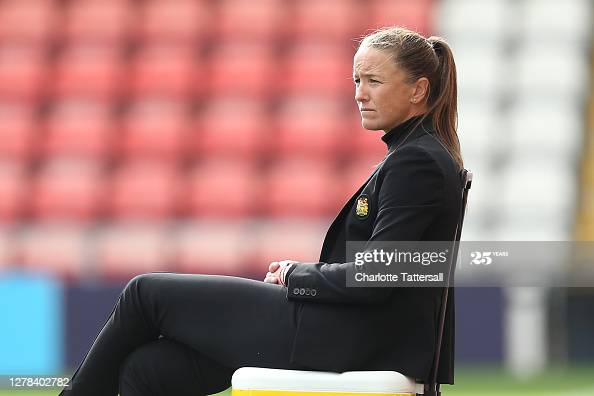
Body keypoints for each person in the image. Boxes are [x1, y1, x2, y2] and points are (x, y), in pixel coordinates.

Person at [59, 26, 463, 396]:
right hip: (351, 331)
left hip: (351, 336)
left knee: (144, 294)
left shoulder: (417, 162)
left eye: (374, 81)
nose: (360, 93)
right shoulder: (419, 155)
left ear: (417, 90)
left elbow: (378, 275)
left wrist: (295, 274)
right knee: (147, 370)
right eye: (357, 80)